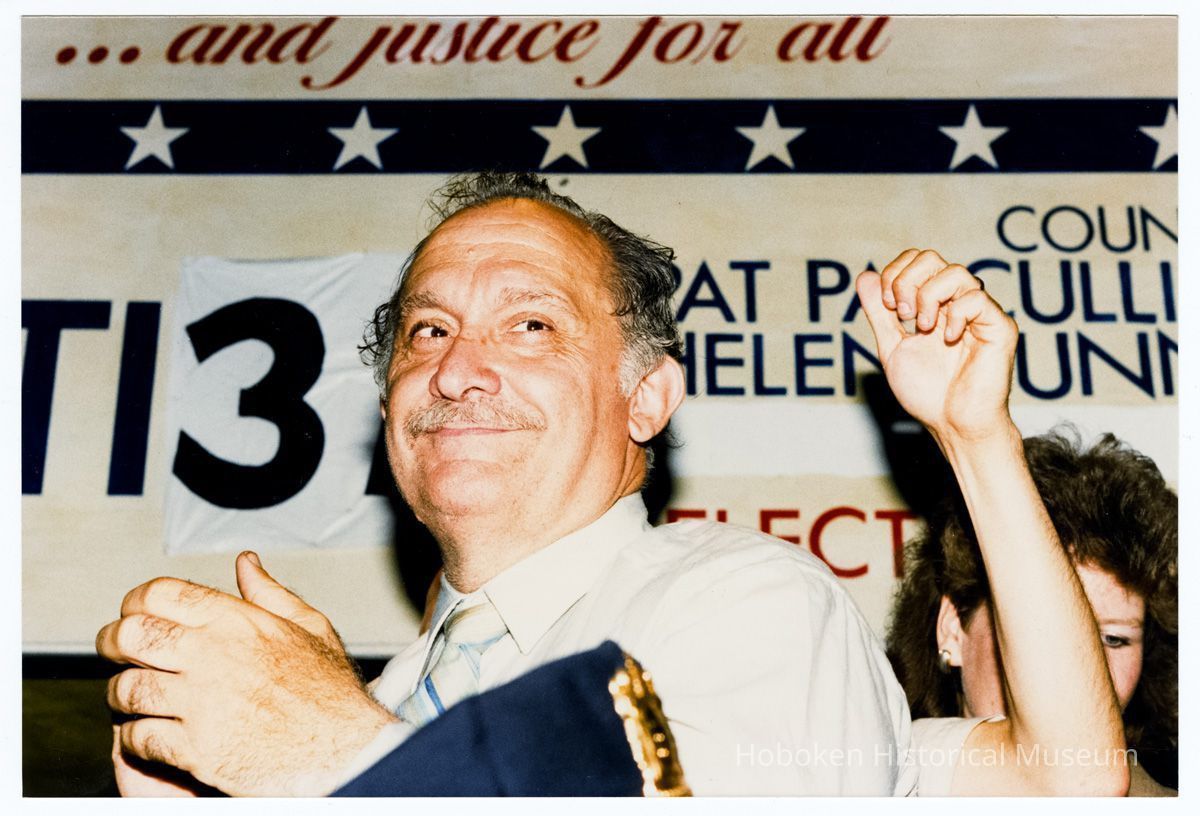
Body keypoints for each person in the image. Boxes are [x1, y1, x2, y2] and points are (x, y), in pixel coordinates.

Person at [96, 172, 1061, 797]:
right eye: (427, 331)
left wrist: (327, 753)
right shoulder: (386, 698)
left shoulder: (746, 602)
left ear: (646, 397)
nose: (457, 369)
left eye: (530, 327)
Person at [886, 430, 1178, 796]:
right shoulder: (876, 770)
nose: (1085, 665)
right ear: (952, 630)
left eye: (1114, 638)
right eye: (1048, 628)